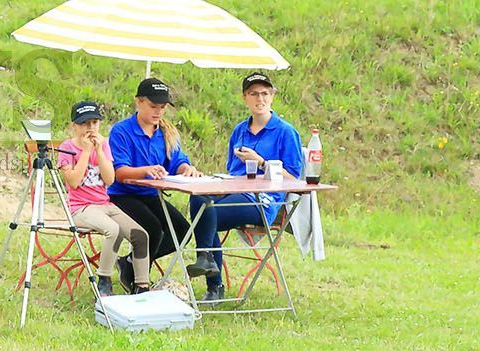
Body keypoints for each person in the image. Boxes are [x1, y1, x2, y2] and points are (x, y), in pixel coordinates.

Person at [185, 72, 306, 303]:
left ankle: (212, 279)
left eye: (264, 93)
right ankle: (207, 262)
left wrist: (261, 162)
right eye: (254, 94)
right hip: (233, 187)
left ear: (272, 96)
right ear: (245, 98)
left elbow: (293, 178)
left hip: (262, 199)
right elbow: (232, 168)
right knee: (198, 199)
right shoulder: (240, 130)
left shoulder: (285, 132)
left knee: (207, 215)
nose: (260, 99)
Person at [106, 77, 217, 288]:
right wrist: (146, 170)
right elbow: (119, 173)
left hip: (150, 195)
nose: (158, 111)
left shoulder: (167, 132)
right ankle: (140, 282)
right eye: (153, 106)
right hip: (122, 194)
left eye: (163, 107)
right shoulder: (121, 131)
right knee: (153, 229)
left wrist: (187, 169)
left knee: (182, 230)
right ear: (138, 102)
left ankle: (130, 263)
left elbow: (178, 161)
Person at [57, 99, 150, 295]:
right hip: (80, 208)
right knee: (113, 230)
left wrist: (99, 151)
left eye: (94, 123)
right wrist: (86, 152)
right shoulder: (67, 147)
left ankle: (142, 286)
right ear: (74, 126)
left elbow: (109, 179)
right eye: (84, 124)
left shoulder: (104, 144)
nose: (90, 128)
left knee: (141, 235)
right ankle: (104, 281)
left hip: (104, 204)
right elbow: (73, 181)